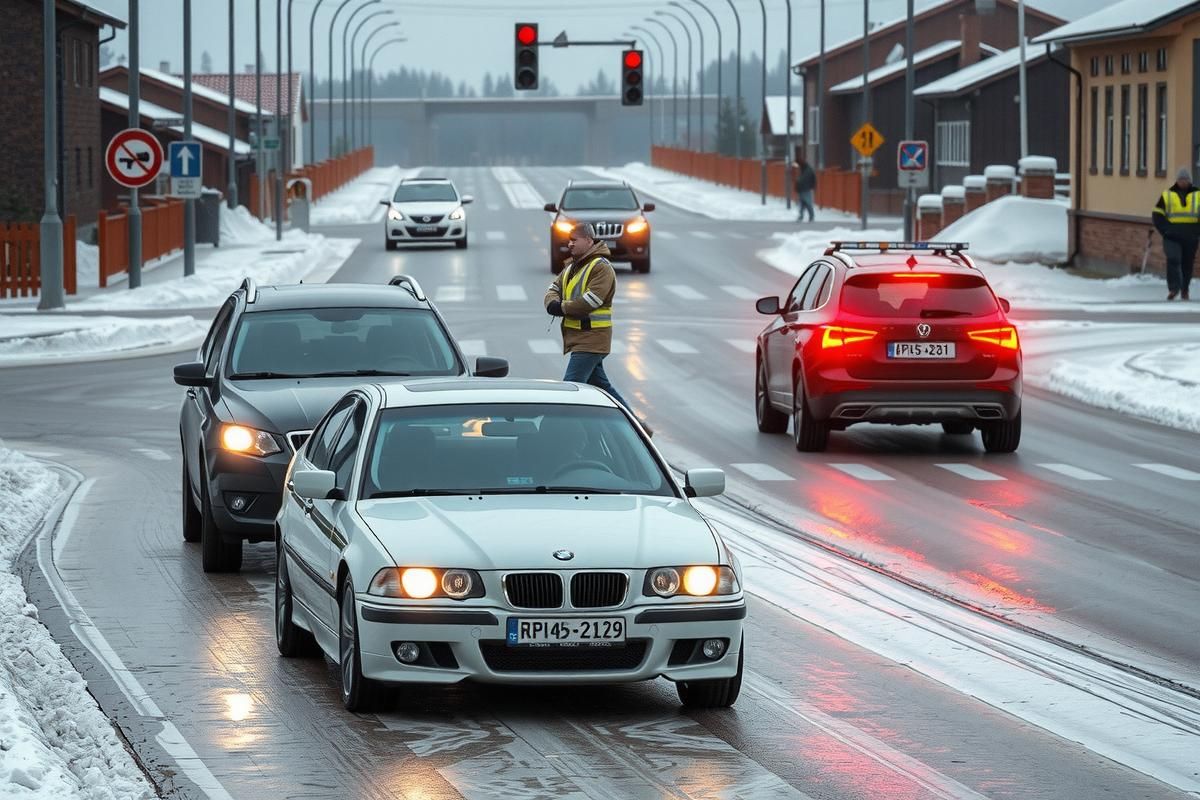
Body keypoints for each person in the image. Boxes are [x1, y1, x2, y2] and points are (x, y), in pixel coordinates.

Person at [544, 223, 651, 435]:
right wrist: (552, 302)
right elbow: (552, 289)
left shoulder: (601, 267)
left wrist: (561, 307)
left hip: (592, 339)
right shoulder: (572, 267)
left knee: (571, 389)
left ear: (589, 241)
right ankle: (637, 427)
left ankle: (559, 433)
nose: (570, 243)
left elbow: (590, 301)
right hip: (580, 339)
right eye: (569, 240)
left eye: (575, 239)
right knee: (604, 389)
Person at [1152, 167, 1200, 300]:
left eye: (1185, 179)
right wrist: (1165, 230)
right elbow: (1157, 214)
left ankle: (1185, 289)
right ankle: (1174, 288)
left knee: (1187, 263)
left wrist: (1197, 231)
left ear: (1189, 181)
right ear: (1177, 181)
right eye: (1180, 179)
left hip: (1191, 236)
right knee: (1173, 259)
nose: (1183, 182)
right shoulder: (1167, 195)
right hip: (1171, 236)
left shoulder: (1198, 195)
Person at [794, 157, 817, 222]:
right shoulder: (805, 169)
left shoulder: (806, 171)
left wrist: (798, 185)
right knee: (803, 203)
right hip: (804, 189)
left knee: (807, 203)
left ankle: (810, 216)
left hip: (805, 189)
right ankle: (802, 216)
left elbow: (802, 180)